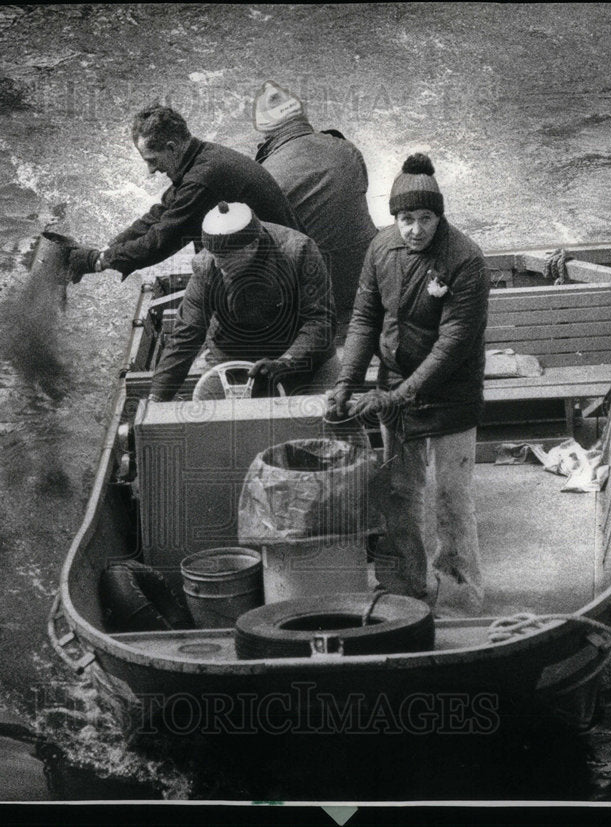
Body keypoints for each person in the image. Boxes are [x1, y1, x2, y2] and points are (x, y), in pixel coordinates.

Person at [326, 153, 490, 617]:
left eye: (425, 218)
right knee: (401, 493)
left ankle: (459, 598)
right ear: (393, 217)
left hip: (450, 394)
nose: (414, 229)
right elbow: (363, 318)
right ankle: (408, 592)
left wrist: (397, 395)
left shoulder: (466, 260)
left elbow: (453, 343)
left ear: (439, 216)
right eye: (405, 219)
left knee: (450, 499)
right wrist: (347, 381)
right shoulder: (380, 250)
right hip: (394, 387)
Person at [64, 105, 302, 281]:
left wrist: (98, 262)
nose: (151, 170)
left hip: (279, 274)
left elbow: (160, 241)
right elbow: (160, 213)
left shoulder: (202, 180)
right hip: (266, 255)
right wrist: (110, 246)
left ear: (172, 147)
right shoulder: (202, 157)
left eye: (152, 160)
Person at [149, 201, 337, 402]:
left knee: (323, 417)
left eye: (226, 256)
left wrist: (286, 362)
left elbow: (320, 322)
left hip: (300, 359)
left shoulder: (299, 252)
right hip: (232, 359)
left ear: (253, 245)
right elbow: (185, 337)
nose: (218, 264)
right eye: (214, 254)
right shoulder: (206, 266)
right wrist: (157, 397)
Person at [252, 81, 377, 331]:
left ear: (266, 133)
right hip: (367, 283)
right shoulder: (346, 149)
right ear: (302, 116)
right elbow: (360, 189)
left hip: (316, 300)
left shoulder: (265, 175)